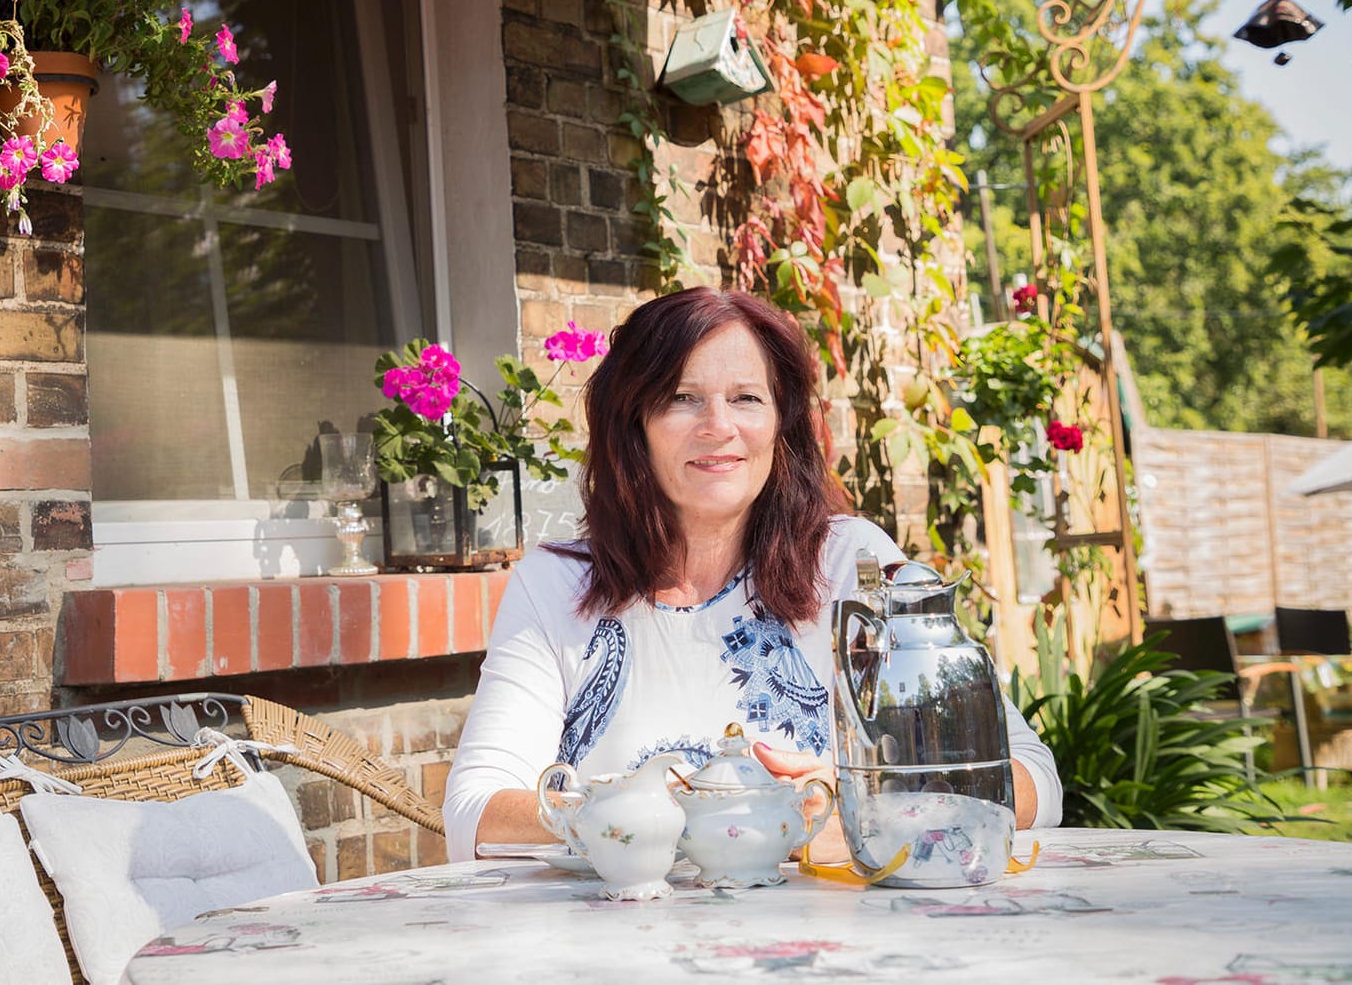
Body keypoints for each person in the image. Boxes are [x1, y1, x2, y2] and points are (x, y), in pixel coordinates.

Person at [442, 286, 1062, 863]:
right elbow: (474, 815)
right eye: (682, 399)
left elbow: (1032, 778)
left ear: (781, 426)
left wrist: (868, 807)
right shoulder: (555, 585)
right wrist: (687, 816)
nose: (719, 426)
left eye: (746, 398)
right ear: (634, 427)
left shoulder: (854, 568)